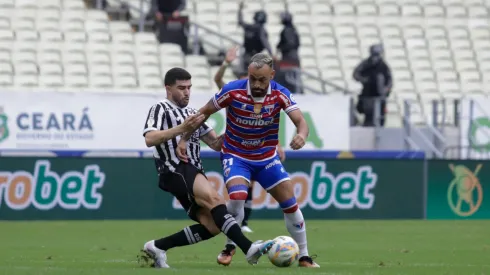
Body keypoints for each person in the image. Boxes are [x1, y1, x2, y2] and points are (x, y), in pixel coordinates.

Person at [178, 54, 320, 268]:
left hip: (266, 157)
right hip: (236, 155)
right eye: (253, 78)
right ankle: (229, 246)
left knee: (290, 204)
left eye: (262, 79)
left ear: (271, 75)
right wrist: (184, 138)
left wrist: (301, 134)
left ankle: (305, 256)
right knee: (236, 198)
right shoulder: (232, 90)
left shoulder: (281, 94)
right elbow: (202, 113)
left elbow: (301, 121)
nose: (256, 84)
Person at [140, 68, 275, 268]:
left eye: (189, 88)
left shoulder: (193, 113)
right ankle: (249, 248)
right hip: (174, 167)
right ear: (168, 88)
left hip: (192, 170)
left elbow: (215, 144)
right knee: (215, 200)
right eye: (181, 88)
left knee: (212, 226)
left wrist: (238, 129)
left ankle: (157, 247)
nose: (187, 92)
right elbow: (150, 139)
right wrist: (181, 129)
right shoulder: (160, 108)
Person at [213, 47, 286, 233]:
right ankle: (232, 224)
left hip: (258, 145)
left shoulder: (266, 96)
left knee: (250, 187)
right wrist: (226, 63)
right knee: (241, 189)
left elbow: (266, 124)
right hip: (237, 145)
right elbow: (217, 80)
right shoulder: (233, 92)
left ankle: (242, 223)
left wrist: (277, 144)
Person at [353, 44, 393, 127]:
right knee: (369, 119)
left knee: (380, 120)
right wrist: (365, 80)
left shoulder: (384, 66)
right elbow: (356, 74)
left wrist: (385, 90)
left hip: (380, 97)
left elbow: (389, 81)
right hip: (368, 96)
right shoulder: (366, 64)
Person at [238, 1, 272, 72]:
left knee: (245, 75)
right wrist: (271, 53)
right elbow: (265, 42)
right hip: (256, 57)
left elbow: (240, 21)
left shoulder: (249, 27)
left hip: (246, 56)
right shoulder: (261, 30)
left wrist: (240, 9)